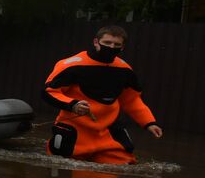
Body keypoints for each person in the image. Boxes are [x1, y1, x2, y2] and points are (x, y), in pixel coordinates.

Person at [42, 25, 162, 165]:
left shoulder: (125, 70)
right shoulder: (71, 65)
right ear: (96, 42)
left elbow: (131, 100)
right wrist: (73, 105)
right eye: (107, 43)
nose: (111, 47)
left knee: (124, 164)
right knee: (64, 171)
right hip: (76, 128)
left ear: (122, 47)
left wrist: (149, 123)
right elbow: (49, 92)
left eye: (116, 45)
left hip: (108, 130)